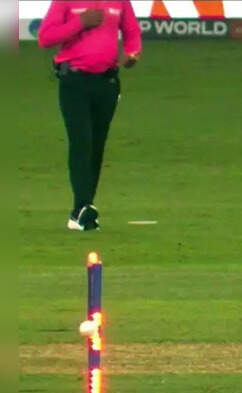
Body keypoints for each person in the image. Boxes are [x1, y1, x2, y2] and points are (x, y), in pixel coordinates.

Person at [37, 1, 142, 231]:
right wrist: (80, 22)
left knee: (96, 145)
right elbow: (45, 38)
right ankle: (82, 207)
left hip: (107, 83)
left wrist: (131, 54)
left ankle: (83, 210)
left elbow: (132, 31)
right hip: (74, 82)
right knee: (81, 142)